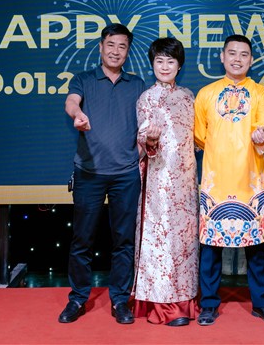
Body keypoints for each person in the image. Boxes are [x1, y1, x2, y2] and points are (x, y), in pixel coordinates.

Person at [58, 23, 146, 325]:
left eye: (122, 46)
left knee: (123, 241)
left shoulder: (137, 84)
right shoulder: (83, 79)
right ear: (101, 47)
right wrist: (78, 114)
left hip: (126, 175)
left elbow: (147, 123)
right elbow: (71, 101)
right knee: (82, 240)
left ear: (128, 52)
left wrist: (139, 152)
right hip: (89, 172)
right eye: (111, 45)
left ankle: (120, 300)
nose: (115, 51)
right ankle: (78, 298)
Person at [193, 34, 264, 326]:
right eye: (232, 53)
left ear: (251, 60)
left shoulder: (261, 94)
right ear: (222, 57)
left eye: (244, 54)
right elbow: (199, 136)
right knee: (211, 248)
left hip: (250, 180)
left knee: (256, 248)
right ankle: (208, 305)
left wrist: (261, 135)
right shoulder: (206, 94)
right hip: (216, 181)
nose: (237, 59)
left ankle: (262, 304)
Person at [132, 37, 199, 327]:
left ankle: (186, 300)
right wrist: (150, 140)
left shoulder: (188, 97)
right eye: (159, 61)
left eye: (170, 61)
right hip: (158, 182)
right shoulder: (146, 98)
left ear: (179, 65)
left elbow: (197, 138)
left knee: (185, 241)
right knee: (160, 240)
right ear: (152, 64)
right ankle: (163, 305)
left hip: (186, 181)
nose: (164, 66)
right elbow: (142, 140)